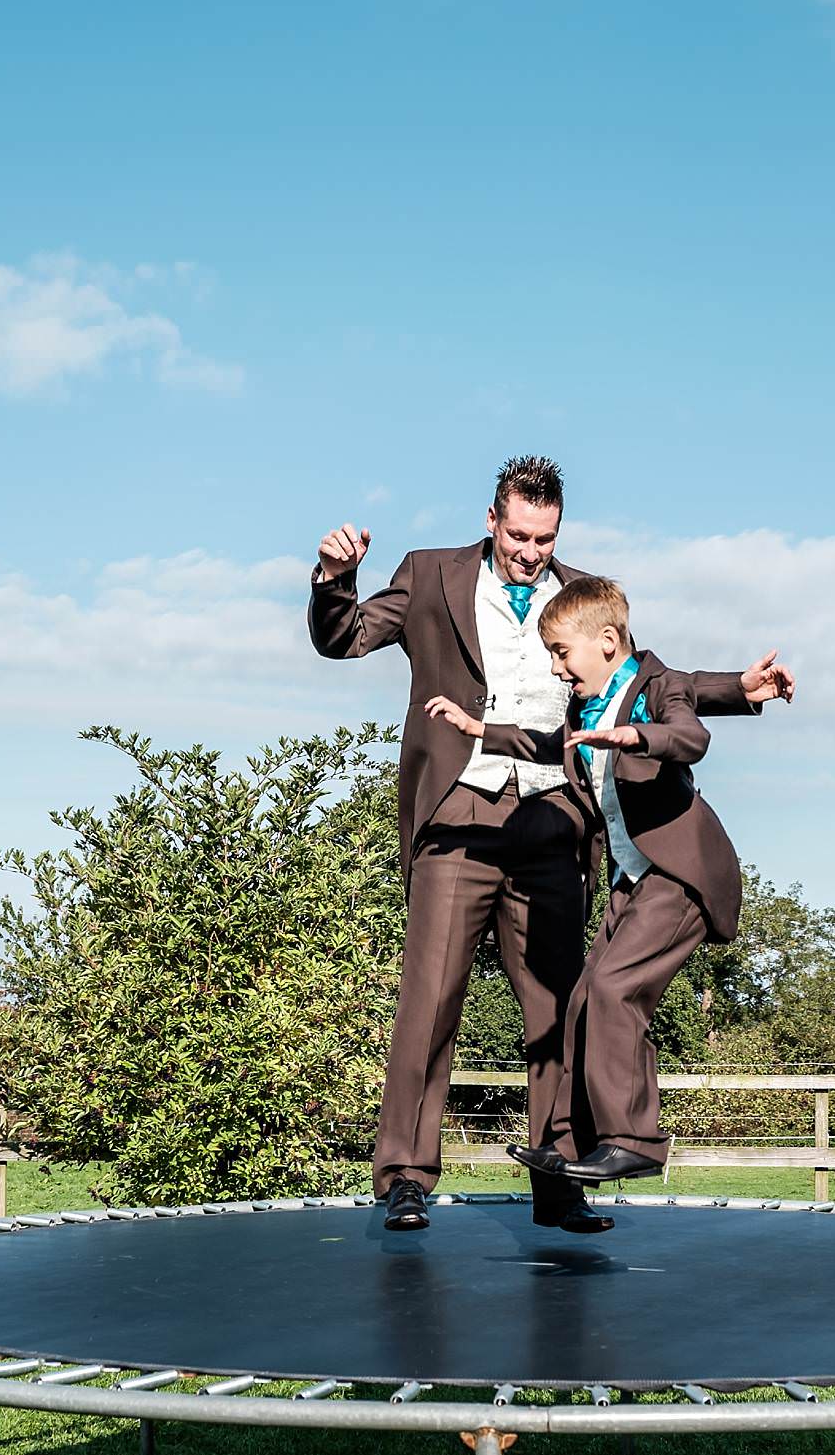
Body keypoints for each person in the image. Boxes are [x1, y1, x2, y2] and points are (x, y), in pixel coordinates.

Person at [309, 455, 792, 1233]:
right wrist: (334, 580)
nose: (531, 551)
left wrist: (739, 687)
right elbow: (346, 638)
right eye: (520, 534)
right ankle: (405, 1174)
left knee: (563, 1006)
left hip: (553, 822)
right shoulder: (430, 575)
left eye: (546, 537)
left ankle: (560, 1177)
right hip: (460, 815)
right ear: (492, 520)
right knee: (429, 1001)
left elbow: (648, 679)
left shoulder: (582, 598)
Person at [425, 575, 743, 1186]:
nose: (555, 668)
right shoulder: (584, 707)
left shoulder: (655, 686)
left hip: (680, 877)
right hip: (633, 879)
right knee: (580, 1001)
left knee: (614, 989)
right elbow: (552, 744)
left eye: (561, 653)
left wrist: (637, 735)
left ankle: (636, 1141)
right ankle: (573, 1146)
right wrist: (478, 731)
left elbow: (690, 735)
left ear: (606, 639)